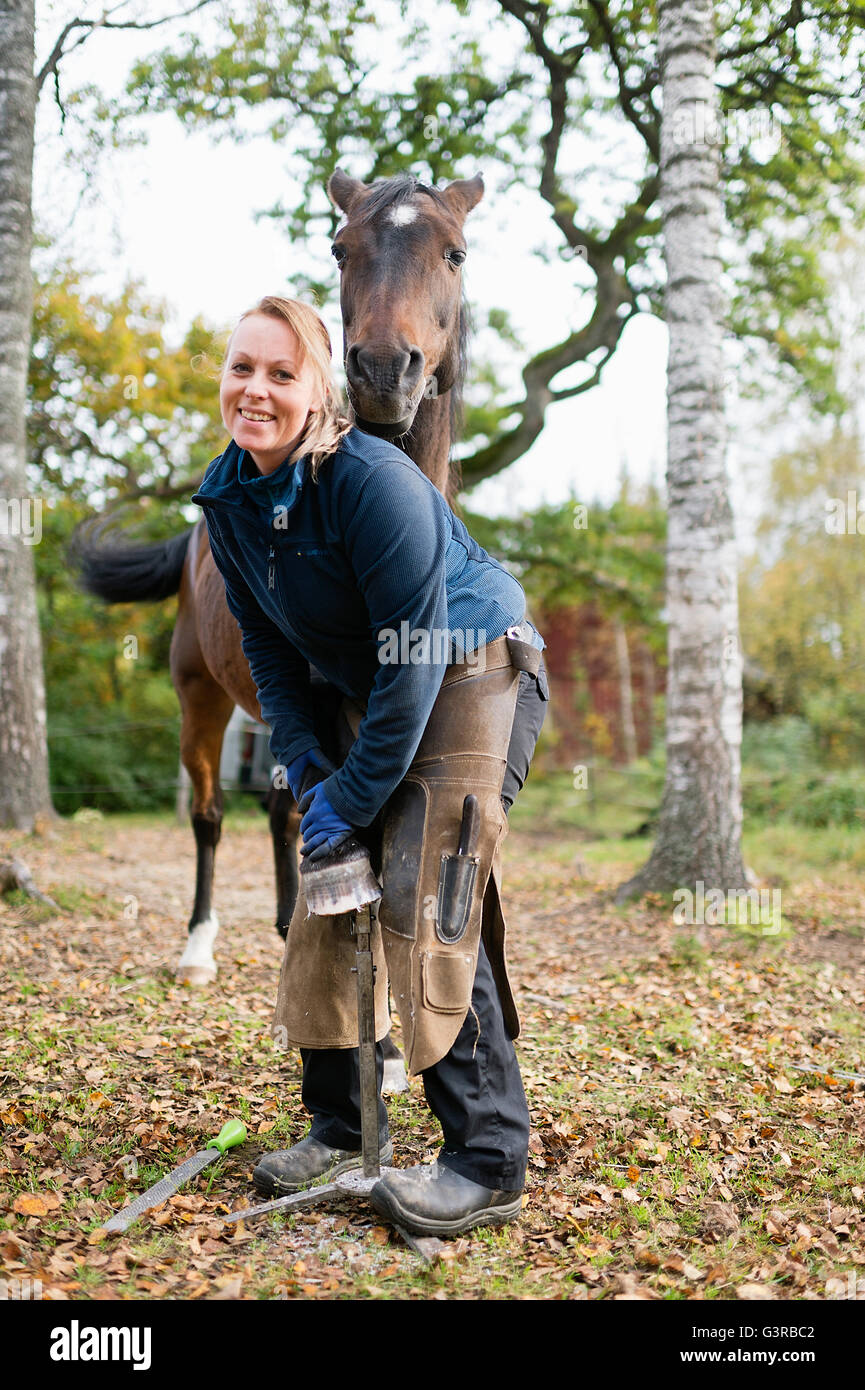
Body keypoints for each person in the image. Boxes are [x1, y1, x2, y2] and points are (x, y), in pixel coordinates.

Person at [192, 295, 548, 1237]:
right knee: (326, 884)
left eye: (281, 373)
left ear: (319, 392)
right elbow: (269, 654)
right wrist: (313, 782)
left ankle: (486, 1158)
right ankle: (344, 1123)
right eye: (242, 368)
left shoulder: (370, 482)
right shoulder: (227, 498)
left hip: (470, 663)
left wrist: (354, 798)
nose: (256, 390)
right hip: (381, 680)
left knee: (423, 883)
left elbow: (412, 655)